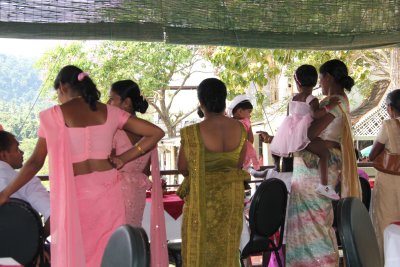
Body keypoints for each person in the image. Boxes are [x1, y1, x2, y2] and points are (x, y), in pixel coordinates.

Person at [0, 65, 165, 267]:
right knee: (110, 254)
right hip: (108, 196)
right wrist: (125, 158)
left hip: (74, 198)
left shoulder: (51, 116)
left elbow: (35, 162)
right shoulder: (111, 112)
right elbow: (156, 133)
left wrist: (6, 193)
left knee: (78, 258)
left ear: (62, 86)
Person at [260, 59, 361, 266]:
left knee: (314, 217)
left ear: (329, 77)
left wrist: (297, 139)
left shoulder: (335, 101)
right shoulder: (332, 100)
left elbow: (311, 132)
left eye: (321, 78)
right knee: (307, 217)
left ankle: (320, 262)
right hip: (309, 164)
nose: (320, 84)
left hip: (314, 168)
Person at [177, 78, 249, 267]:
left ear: (201, 102)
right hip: (230, 201)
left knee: (198, 251)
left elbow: (183, 168)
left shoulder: (191, 132)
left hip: (202, 201)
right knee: (227, 248)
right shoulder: (240, 128)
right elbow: (238, 165)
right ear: (224, 100)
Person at [107, 80, 168, 267]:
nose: (108, 104)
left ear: (126, 103)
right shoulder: (147, 131)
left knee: (114, 242)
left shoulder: (113, 130)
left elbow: (108, 164)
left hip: (115, 192)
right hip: (137, 192)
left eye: (111, 99)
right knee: (131, 238)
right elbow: (145, 171)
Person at [270, 64, 340, 200]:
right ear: (315, 82)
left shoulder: (293, 99)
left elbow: (289, 117)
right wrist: (329, 107)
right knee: (324, 153)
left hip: (292, 135)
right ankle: (324, 185)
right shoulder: (311, 99)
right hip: (304, 136)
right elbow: (315, 115)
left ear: (297, 82)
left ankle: (275, 170)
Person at [369, 89, 400, 262]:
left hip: (389, 184)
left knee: (385, 226)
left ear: (390, 108)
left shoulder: (389, 125)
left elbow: (373, 155)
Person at [0, 130, 50, 236]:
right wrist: (38, 242)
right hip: (24, 250)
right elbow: (54, 216)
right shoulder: (27, 181)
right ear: (3, 155)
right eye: (17, 149)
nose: (22, 152)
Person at [227, 95, 260, 171]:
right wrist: (249, 126)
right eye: (249, 112)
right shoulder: (245, 123)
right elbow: (251, 140)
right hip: (243, 155)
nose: (250, 115)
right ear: (240, 111)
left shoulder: (229, 123)